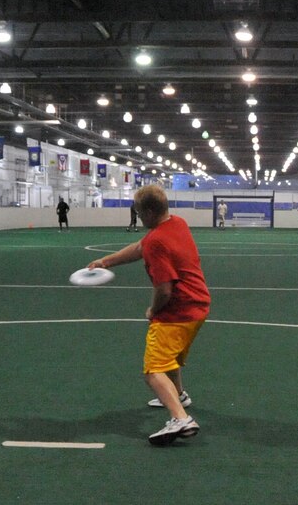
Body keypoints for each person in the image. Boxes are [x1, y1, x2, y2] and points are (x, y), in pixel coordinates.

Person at [86, 184, 209, 446]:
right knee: (170, 358)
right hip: (199, 306)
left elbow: (164, 289)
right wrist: (105, 261)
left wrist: (154, 311)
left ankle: (180, 418)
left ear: (150, 211)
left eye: (140, 213)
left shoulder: (157, 241)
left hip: (178, 311)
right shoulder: (177, 224)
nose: (138, 217)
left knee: (153, 370)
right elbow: (139, 247)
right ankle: (179, 394)